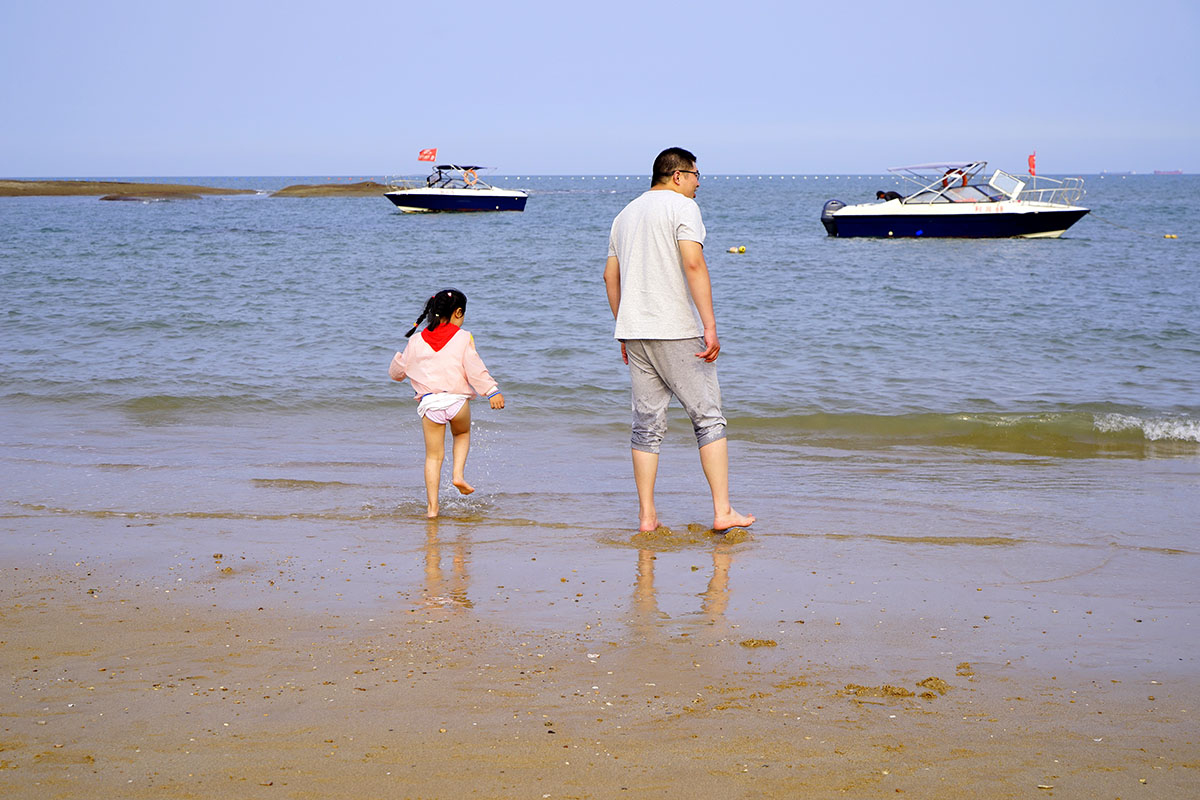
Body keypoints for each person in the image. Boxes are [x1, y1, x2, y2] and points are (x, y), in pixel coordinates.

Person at [603, 147, 755, 534]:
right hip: (677, 329)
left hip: (635, 333)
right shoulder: (682, 207)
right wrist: (710, 325)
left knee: (646, 427)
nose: (699, 182)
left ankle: (647, 517)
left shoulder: (624, 215)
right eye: (695, 174)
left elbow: (609, 277)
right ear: (676, 175)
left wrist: (625, 325)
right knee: (708, 419)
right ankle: (723, 511)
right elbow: (693, 262)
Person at [389, 289, 504, 518]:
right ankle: (458, 475)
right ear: (458, 312)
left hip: (430, 405)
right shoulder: (463, 337)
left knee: (433, 456)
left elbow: (398, 373)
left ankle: (432, 509)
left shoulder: (417, 339)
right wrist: (492, 391)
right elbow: (474, 368)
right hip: (457, 402)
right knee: (461, 435)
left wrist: (399, 366)